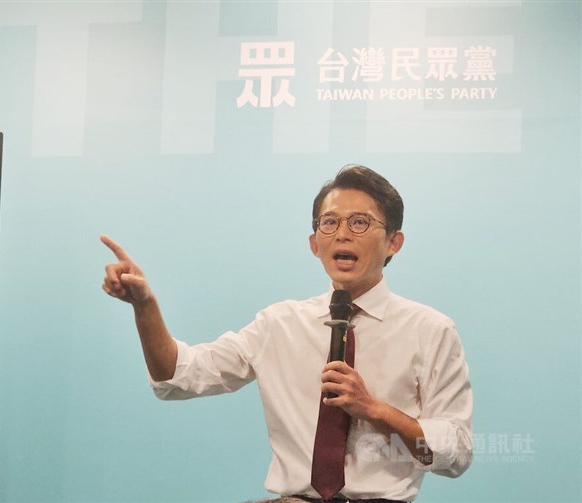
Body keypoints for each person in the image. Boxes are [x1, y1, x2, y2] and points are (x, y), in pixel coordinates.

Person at [101, 165, 473, 502]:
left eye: (359, 222)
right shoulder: (278, 324)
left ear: (394, 242)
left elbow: (456, 452)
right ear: (314, 243)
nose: (342, 235)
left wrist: (375, 409)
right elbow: (178, 378)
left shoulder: (430, 330)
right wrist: (144, 306)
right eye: (329, 223)